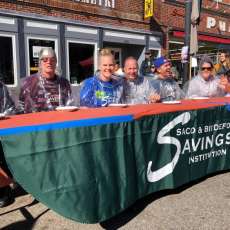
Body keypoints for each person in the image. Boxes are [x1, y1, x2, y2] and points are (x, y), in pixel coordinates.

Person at [19, 48, 72, 113]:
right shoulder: (29, 83)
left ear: (56, 62)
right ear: (40, 62)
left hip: (60, 121)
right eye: (45, 60)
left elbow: (70, 105)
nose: (49, 62)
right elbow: (23, 110)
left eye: (52, 60)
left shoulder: (64, 83)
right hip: (38, 122)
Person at [0, 81, 15, 208]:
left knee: (4, 155)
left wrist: (5, 115)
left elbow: (10, 107)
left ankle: (4, 190)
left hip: (1, 128)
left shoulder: (1, 87)